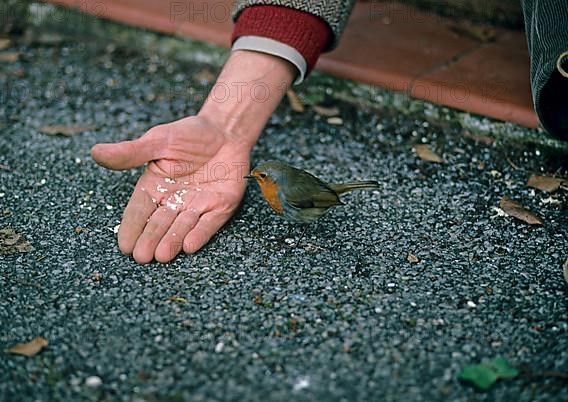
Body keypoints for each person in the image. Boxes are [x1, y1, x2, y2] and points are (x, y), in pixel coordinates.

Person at [90, 1, 568, 264]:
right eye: (258, 179)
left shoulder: (286, 194)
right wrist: (222, 120)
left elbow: (319, 199)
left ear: (274, 182)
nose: (257, 183)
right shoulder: (278, 186)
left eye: (261, 180)